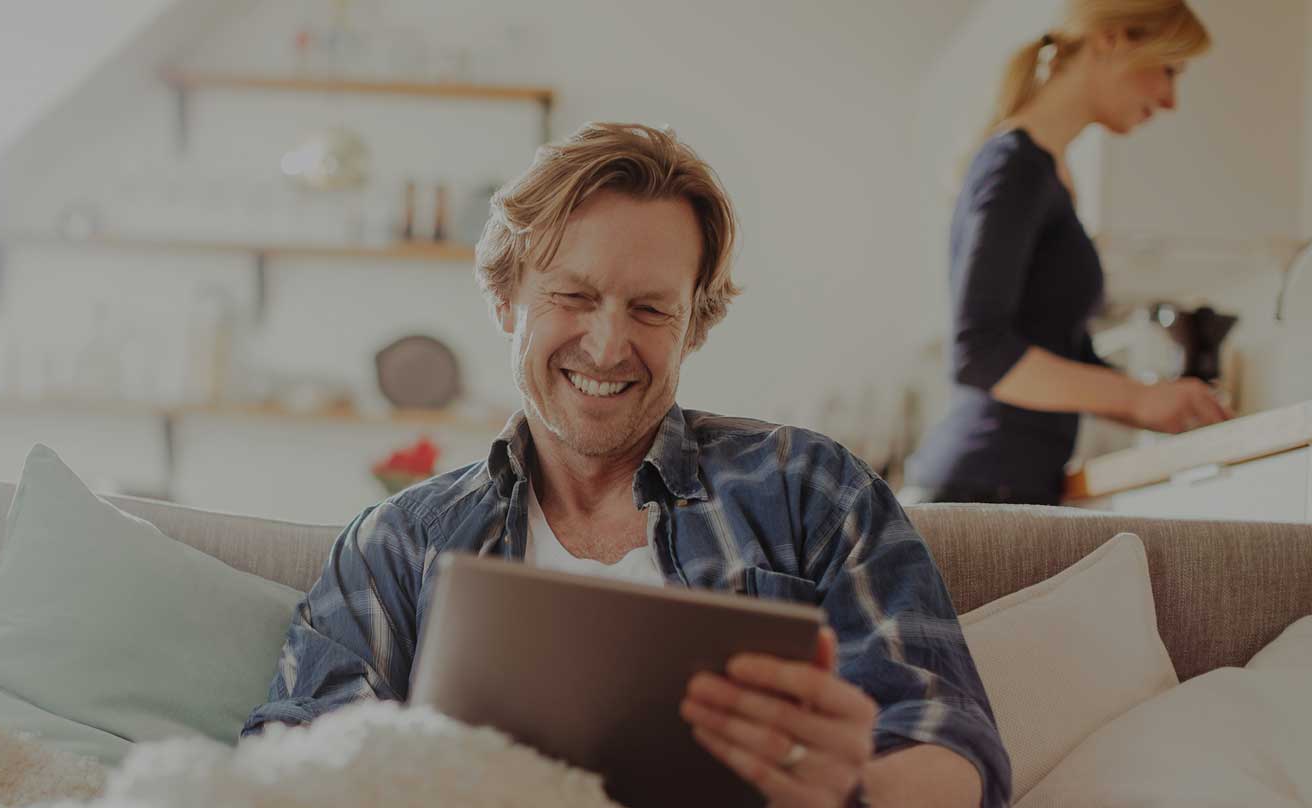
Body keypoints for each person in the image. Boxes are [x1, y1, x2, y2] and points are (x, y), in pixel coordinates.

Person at [244, 122, 1010, 808]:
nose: (608, 347)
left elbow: (947, 741)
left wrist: (854, 792)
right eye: (572, 296)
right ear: (507, 302)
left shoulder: (810, 490)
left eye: (651, 310)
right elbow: (290, 763)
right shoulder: (398, 545)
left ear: (693, 327)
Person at [904, 0, 1229, 506]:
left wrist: (1158, 402)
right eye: (1169, 69)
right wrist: (1139, 398)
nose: (1171, 100)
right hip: (979, 489)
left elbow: (1063, 354)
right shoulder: (1015, 165)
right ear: (1113, 39)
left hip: (1004, 485)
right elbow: (980, 351)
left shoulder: (1049, 175)